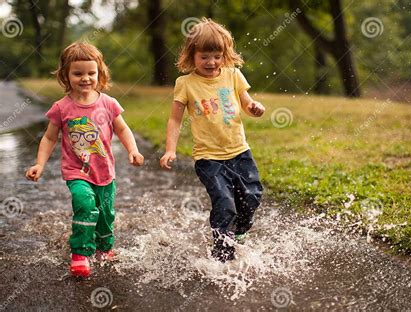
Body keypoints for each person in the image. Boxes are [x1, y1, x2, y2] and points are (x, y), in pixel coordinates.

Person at [25, 42, 144, 277]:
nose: (85, 78)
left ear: (100, 73)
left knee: (105, 214)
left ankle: (103, 248)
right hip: (77, 172)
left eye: (91, 72)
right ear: (65, 75)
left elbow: (123, 129)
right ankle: (80, 253)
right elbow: (49, 138)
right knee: (85, 204)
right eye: (78, 73)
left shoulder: (108, 103)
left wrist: (133, 150)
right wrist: (39, 163)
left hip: (105, 172)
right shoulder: (62, 108)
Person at [160, 18, 265, 262]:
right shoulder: (185, 83)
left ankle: (239, 232)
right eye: (204, 56)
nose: (211, 62)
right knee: (224, 202)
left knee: (252, 196)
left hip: (240, 151)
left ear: (225, 54)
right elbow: (175, 120)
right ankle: (222, 255)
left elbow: (246, 103)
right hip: (209, 158)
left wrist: (254, 107)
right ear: (192, 55)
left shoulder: (233, 75)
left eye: (217, 56)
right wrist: (170, 150)